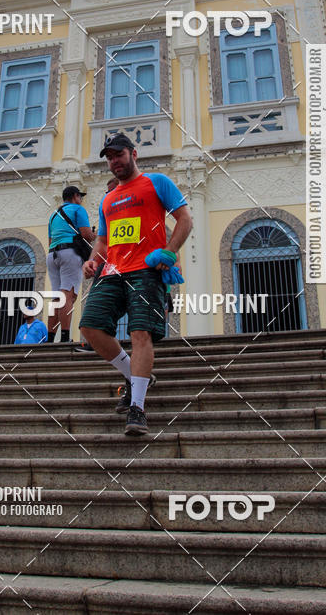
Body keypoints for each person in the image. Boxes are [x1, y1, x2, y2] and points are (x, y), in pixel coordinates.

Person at [80, 134, 192, 435]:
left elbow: (185, 218)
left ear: (133, 153)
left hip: (146, 269)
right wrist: (92, 260)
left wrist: (170, 251)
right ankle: (133, 375)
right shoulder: (108, 198)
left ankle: (138, 408)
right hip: (113, 271)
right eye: (109, 156)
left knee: (140, 333)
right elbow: (103, 240)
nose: (114, 160)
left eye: (119, 154)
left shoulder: (157, 182)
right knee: (90, 327)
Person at [73, 176, 119, 353]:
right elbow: (102, 240)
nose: (108, 195)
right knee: (99, 305)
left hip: (128, 265)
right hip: (107, 264)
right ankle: (97, 343)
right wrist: (93, 261)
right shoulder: (107, 210)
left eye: (111, 191)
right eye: (107, 192)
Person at [46, 186, 95, 343]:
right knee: (68, 294)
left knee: (56, 297)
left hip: (52, 255)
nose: (81, 200)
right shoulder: (78, 209)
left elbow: (50, 241)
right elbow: (86, 234)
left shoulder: (53, 215)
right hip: (70, 253)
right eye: (80, 196)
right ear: (75, 196)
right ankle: (65, 337)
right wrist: (94, 235)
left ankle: (50, 337)